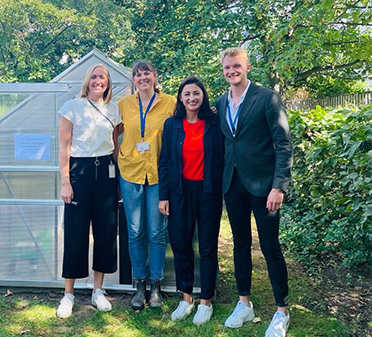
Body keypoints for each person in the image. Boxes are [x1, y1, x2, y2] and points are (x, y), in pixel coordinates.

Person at [216, 47, 293, 337]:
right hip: (233, 184)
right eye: (227, 67)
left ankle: (281, 311)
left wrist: (278, 186)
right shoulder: (222, 103)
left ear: (247, 67)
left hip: (265, 187)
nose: (231, 71)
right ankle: (244, 303)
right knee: (240, 245)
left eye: (236, 66)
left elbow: (283, 144)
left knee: (270, 247)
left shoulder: (267, 98)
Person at [56, 64, 122, 319]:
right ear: (87, 81)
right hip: (79, 173)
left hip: (105, 172)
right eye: (93, 77)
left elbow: (115, 146)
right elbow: (64, 147)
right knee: (75, 232)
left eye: (102, 77)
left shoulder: (114, 109)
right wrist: (65, 182)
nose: (98, 81)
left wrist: (117, 181)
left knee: (106, 232)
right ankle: (69, 294)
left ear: (107, 82)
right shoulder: (71, 107)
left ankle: (98, 290)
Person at [158, 76, 224, 324]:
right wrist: (163, 195)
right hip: (179, 192)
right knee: (180, 244)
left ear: (203, 96)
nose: (192, 98)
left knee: (207, 246)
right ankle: (186, 298)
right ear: (181, 98)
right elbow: (164, 161)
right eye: (187, 94)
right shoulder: (172, 124)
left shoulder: (214, 122)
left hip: (208, 192)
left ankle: (205, 301)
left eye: (196, 93)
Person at [116, 60, 176, 310]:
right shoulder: (123, 105)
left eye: (146, 73)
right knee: (135, 231)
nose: (142, 78)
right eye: (137, 75)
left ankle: (156, 285)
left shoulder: (171, 103)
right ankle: (139, 284)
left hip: (158, 175)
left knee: (156, 232)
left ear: (155, 76)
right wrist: (117, 157)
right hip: (130, 173)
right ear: (133, 80)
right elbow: (111, 131)